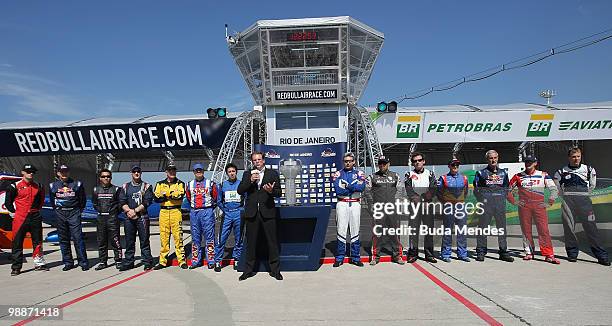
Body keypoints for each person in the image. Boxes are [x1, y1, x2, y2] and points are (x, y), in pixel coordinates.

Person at [553, 148, 609, 266]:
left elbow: (592, 186)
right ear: (569, 158)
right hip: (568, 202)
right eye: (573, 157)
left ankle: (601, 256)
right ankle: (572, 254)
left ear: (581, 156)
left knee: (591, 229)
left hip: (585, 202)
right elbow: (557, 187)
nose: (576, 159)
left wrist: (583, 194)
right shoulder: (561, 171)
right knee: (569, 229)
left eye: (578, 156)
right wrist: (565, 195)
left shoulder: (589, 169)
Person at [237, 151, 282, 281]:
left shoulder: (272, 174)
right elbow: (240, 190)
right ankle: (248, 271)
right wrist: (250, 181)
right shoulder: (247, 174)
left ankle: (275, 271)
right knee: (251, 243)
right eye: (255, 160)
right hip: (252, 214)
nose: (257, 162)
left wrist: (271, 191)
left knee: (272, 243)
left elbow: (279, 193)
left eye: (259, 159)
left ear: (264, 160)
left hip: (268, 212)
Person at [508, 156, 560, 264]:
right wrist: (514, 201)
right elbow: (507, 190)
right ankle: (529, 252)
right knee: (526, 230)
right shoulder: (518, 176)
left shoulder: (543, 175)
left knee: (543, 230)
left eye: (530, 162)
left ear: (535, 163)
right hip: (524, 206)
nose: (528, 164)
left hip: (539, 206)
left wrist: (550, 201)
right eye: (526, 162)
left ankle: (549, 254)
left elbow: (554, 189)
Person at [5, 164, 48, 276]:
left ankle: (39, 263)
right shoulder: (14, 186)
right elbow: (8, 202)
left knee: (37, 241)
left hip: (34, 216)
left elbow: (41, 201)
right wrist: (14, 213)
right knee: (17, 242)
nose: (31, 173)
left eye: (32, 171)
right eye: (28, 171)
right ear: (22, 172)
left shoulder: (39, 186)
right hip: (20, 217)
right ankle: (16, 267)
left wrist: (35, 211)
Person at [473, 150, 514, 262]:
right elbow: (476, 190)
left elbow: (507, 188)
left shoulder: (503, 173)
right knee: (482, 229)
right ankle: (481, 252)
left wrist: (500, 197)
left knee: (502, 229)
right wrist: (484, 200)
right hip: (486, 206)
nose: (493, 160)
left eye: (495, 157)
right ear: (487, 160)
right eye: (491, 158)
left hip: (500, 205)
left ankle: (503, 252)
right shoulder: (481, 173)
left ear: (498, 158)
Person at [49, 164, 89, 271]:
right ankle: (68, 262)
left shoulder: (77, 184)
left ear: (69, 172)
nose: (64, 173)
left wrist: (77, 211)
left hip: (74, 213)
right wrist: (58, 210)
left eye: (66, 171)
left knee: (77, 238)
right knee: (63, 239)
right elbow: (53, 202)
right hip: (60, 214)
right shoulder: (53, 186)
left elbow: (82, 200)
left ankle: (83, 262)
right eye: (62, 172)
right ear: (58, 173)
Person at [366, 155, 404, 265]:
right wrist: (371, 206)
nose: (382, 165)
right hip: (379, 209)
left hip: (392, 209)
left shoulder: (395, 175)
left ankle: (397, 256)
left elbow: (400, 190)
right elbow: (367, 192)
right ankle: (375, 257)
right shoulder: (372, 176)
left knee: (395, 232)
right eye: (380, 163)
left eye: (384, 163)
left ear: (388, 164)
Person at [332, 152, 366, 268]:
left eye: (350, 161)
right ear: (343, 162)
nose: (348, 163)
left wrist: (348, 186)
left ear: (354, 162)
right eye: (346, 161)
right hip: (342, 203)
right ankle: (340, 257)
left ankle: (355, 257)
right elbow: (338, 190)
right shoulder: (338, 173)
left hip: (355, 204)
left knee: (355, 231)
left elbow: (361, 188)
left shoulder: (359, 173)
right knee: (341, 230)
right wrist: (353, 187)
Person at [119, 165, 154, 271]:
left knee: (144, 240)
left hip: (142, 217)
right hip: (128, 217)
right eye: (134, 171)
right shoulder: (125, 186)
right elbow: (122, 201)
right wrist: (129, 211)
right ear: (131, 173)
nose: (136, 173)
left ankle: (147, 261)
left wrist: (135, 211)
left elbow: (147, 201)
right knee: (129, 241)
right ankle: (129, 262)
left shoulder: (147, 186)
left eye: (138, 171)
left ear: (141, 173)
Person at [404, 152, 437, 263]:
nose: (417, 162)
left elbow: (433, 188)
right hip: (414, 206)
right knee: (414, 231)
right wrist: (418, 199)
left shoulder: (430, 173)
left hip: (428, 206)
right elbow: (409, 190)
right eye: (415, 161)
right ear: (412, 163)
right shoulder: (409, 174)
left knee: (428, 231)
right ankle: (413, 254)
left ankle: (429, 254)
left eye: (419, 160)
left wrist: (425, 198)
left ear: (423, 161)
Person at [153, 163, 188, 270]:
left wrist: (165, 194)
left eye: (174, 170)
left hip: (176, 211)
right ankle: (162, 261)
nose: (172, 172)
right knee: (164, 238)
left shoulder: (180, 183)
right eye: (170, 170)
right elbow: (156, 198)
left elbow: (179, 196)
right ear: (166, 172)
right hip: (163, 212)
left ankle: (181, 261)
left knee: (178, 237)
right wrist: (171, 194)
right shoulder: (159, 184)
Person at [185, 163, 218, 269]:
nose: (198, 172)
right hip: (194, 212)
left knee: (210, 237)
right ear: (193, 172)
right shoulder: (189, 184)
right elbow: (189, 198)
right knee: (195, 237)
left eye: (200, 170)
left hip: (207, 211)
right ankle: (196, 260)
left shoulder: (210, 183)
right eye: (196, 170)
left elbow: (215, 197)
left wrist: (209, 208)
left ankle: (211, 260)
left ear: (203, 171)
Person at [437, 159, 470, 263]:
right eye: (453, 164)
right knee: (447, 231)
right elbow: (439, 193)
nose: (455, 166)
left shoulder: (464, 178)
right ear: (449, 166)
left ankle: (462, 254)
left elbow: (466, 192)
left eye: (457, 165)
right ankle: (446, 254)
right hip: (449, 206)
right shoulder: (443, 178)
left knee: (462, 231)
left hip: (460, 206)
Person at [214, 163, 243, 272]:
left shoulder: (241, 184)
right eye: (229, 172)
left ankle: (237, 259)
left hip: (238, 214)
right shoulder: (222, 185)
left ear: (236, 172)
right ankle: (218, 261)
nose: (231, 173)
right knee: (222, 238)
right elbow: (219, 200)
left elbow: (246, 198)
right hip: (227, 214)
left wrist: (242, 209)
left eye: (233, 171)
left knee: (239, 238)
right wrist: (225, 210)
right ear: (227, 173)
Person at [92, 169, 123, 270]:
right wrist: (101, 212)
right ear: (100, 178)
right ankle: (102, 261)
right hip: (101, 218)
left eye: (108, 176)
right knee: (101, 241)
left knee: (116, 240)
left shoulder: (117, 189)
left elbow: (120, 204)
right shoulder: (96, 190)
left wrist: (113, 213)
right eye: (104, 176)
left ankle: (118, 260)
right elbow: (95, 204)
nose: (106, 178)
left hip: (112, 218)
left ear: (111, 178)